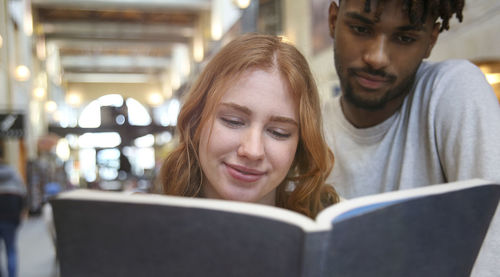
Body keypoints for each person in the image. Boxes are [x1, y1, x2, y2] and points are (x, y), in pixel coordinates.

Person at [323, 0, 500, 276]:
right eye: (361, 28)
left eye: (405, 38)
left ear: (431, 40)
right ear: (333, 20)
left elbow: (493, 249)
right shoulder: (306, 130)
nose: (377, 57)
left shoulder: (452, 89)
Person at [158, 34, 339, 218]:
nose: (253, 151)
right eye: (233, 121)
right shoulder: (146, 226)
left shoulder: (329, 227)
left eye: (279, 133)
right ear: (196, 121)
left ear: (300, 145)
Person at [0, 139, 27, 277]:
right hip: (11, 218)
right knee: (10, 249)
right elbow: (23, 194)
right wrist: (22, 212)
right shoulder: (14, 175)